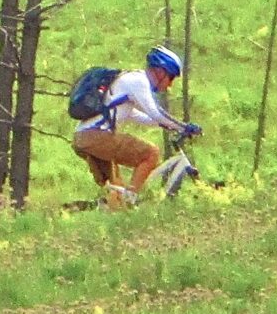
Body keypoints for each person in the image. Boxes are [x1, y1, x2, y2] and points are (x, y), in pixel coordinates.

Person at [72, 45, 202, 209]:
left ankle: (79, 211)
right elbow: (156, 112)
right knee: (151, 153)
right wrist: (184, 127)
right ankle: (130, 201)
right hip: (96, 137)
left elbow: (138, 115)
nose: (169, 85)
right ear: (161, 72)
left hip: (82, 138)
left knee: (116, 197)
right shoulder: (138, 81)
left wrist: (167, 125)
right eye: (171, 78)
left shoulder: (127, 80)